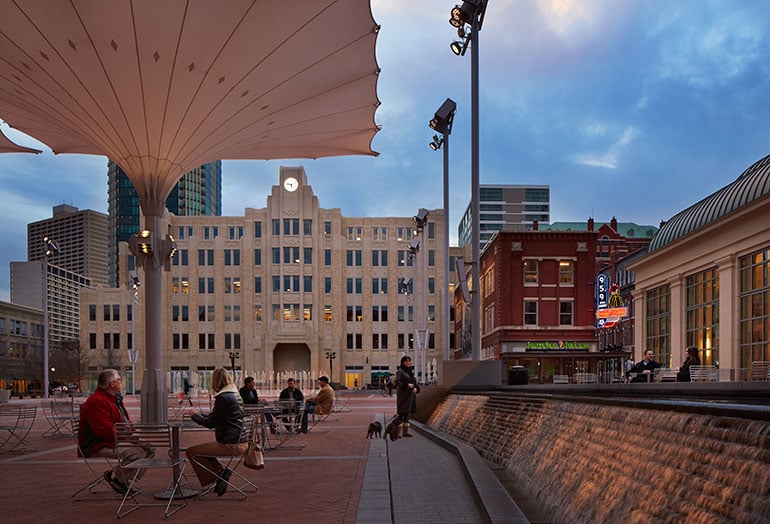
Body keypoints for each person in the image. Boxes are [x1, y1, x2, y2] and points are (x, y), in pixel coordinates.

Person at [78, 369, 154, 495]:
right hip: (99, 444)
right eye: (119, 380)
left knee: (150, 449)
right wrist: (127, 437)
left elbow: (124, 420)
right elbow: (105, 431)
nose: (121, 382)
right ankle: (118, 478)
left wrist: (131, 434)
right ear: (112, 384)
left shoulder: (114, 399)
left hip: (115, 438)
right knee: (137, 453)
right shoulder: (97, 402)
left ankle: (121, 478)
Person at [186, 368, 247, 496]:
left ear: (216, 381)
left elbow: (210, 423)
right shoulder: (235, 395)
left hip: (230, 444)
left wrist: (194, 416)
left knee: (192, 452)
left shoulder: (223, 397)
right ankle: (221, 474)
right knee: (204, 452)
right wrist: (201, 415)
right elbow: (219, 415)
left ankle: (218, 477)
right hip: (241, 440)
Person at [395, 355, 419, 437]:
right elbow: (397, 382)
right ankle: (397, 432)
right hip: (403, 396)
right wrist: (407, 385)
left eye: (409, 361)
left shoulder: (410, 372)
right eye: (406, 361)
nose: (408, 362)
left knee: (407, 414)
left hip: (410, 396)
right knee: (402, 413)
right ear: (403, 362)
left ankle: (405, 432)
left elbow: (414, 383)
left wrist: (415, 388)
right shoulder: (400, 371)